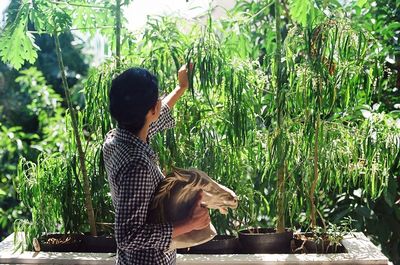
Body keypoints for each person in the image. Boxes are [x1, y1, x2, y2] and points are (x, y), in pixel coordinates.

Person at [103, 65, 210, 265]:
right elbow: (128, 236)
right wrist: (189, 224)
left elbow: (155, 118)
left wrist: (181, 88)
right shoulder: (137, 165)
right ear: (153, 109)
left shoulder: (116, 139)